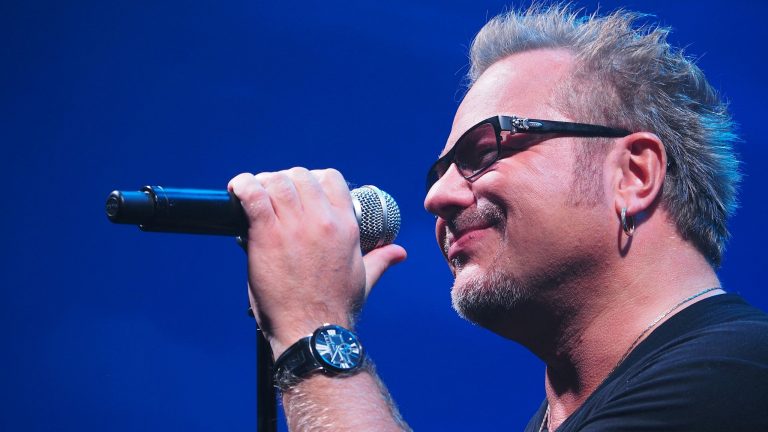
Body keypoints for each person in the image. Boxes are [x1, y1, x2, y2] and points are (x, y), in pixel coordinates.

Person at [228, 4, 768, 431]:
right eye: (438, 172)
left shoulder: (741, 375)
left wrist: (313, 327)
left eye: (483, 152)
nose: (436, 197)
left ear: (634, 175)